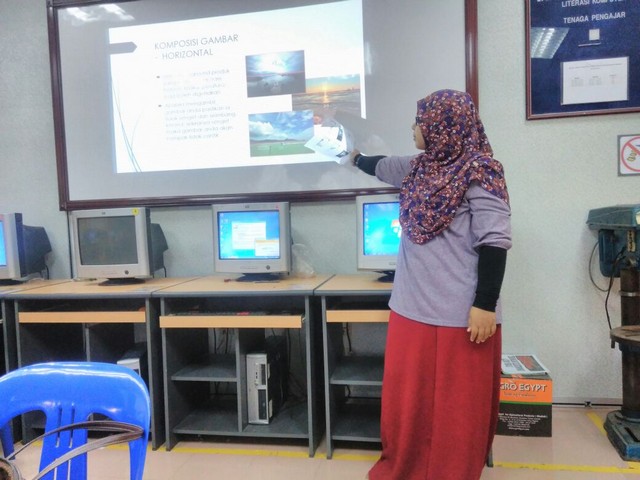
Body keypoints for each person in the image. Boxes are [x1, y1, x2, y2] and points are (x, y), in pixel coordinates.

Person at [352, 89, 512, 480]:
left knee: (457, 410)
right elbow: (380, 166)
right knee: (410, 403)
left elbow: (495, 241)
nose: (413, 127)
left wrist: (485, 304)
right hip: (411, 309)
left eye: (419, 121)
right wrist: (352, 157)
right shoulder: (418, 168)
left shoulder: (481, 171)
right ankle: (406, 467)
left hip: (461, 314)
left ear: (443, 126)